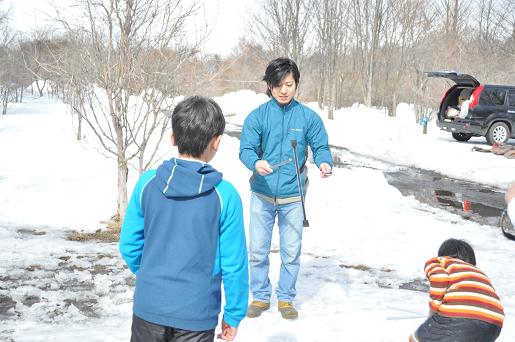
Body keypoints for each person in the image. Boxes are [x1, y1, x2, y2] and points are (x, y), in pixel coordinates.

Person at [120, 96, 249, 342]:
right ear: (217, 142)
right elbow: (234, 264)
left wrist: (151, 274)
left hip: (149, 307)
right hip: (197, 314)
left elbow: (129, 244)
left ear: (173, 137)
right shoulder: (225, 195)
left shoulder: (147, 183)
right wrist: (233, 315)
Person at [239, 57, 333, 320]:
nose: (284, 90)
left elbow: (321, 146)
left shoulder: (307, 117)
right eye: (278, 85)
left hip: (294, 197)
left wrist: (324, 161)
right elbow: (245, 149)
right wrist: (255, 162)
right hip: (262, 195)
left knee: (291, 251)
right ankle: (259, 296)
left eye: (289, 84)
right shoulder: (258, 117)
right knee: (257, 250)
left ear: (296, 85)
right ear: (269, 86)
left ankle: (286, 298)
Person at [409, 238, 504, 342]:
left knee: (416, 338)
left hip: (460, 318)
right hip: (494, 324)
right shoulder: (479, 273)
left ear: (442, 254)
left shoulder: (439, 262)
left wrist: (433, 311)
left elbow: (440, 279)